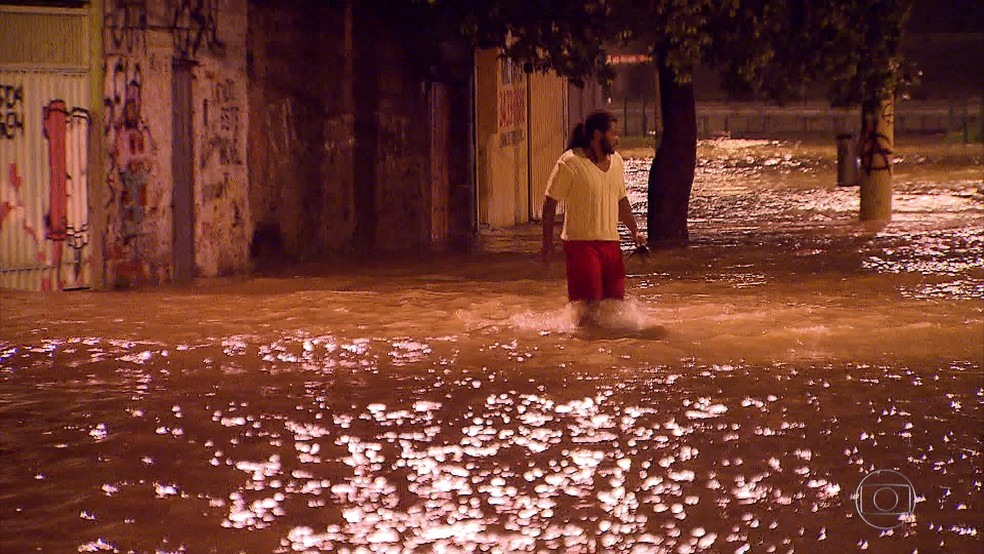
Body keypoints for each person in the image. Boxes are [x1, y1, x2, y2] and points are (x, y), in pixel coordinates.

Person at [541, 110, 646, 324]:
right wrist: (547, 244)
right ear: (598, 134)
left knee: (615, 303)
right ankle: (584, 347)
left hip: (611, 243)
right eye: (613, 133)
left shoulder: (616, 161)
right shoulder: (570, 162)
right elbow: (550, 204)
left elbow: (621, 200)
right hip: (581, 243)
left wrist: (635, 231)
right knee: (588, 305)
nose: (618, 139)